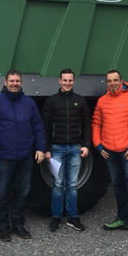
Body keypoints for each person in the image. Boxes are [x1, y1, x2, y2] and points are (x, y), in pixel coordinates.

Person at [0, 69, 46, 242]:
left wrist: (40, 148)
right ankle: (3, 227)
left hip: (25, 156)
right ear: (5, 82)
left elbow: (38, 126)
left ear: (21, 83)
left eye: (17, 81)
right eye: (12, 81)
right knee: (2, 193)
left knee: (23, 192)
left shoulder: (29, 103)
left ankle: (17, 224)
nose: (14, 84)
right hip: (4, 156)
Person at [92, 69, 128, 239]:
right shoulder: (102, 101)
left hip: (127, 151)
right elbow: (96, 124)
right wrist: (99, 145)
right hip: (109, 151)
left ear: (121, 81)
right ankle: (123, 219)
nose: (112, 83)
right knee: (117, 185)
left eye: (115, 80)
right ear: (106, 82)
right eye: (109, 80)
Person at [42, 68, 92, 232]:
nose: (67, 83)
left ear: (74, 81)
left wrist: (86, 145)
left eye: (70, 80)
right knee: (57, 184)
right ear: (59, 81)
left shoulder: (81, 101)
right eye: (65, 80)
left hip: (76, 148)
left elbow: (86, 125)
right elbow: (45, 127)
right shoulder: (51, 101)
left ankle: (72, 217)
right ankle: (56, 217)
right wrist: (46, 149)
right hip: (56, 149)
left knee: (71, 184)